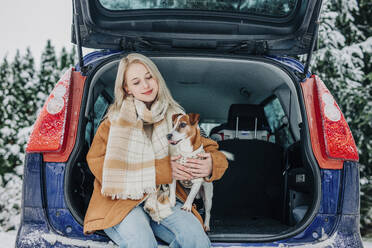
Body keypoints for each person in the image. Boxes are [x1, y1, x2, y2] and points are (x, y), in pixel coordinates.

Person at [83, 53, 228, 248]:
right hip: (120, 202)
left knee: (196, 240)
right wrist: (161, 171)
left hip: (164, 199)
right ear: (127, 88)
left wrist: (211, 164)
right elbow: (97, 163)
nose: (146, 85)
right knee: (142, 242)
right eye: (136, 82)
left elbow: (211, 149)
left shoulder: (176, 118)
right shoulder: (113, 123)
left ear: (157, 78)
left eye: (149, 77)